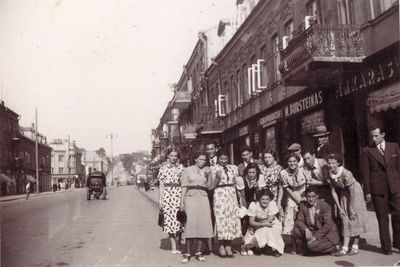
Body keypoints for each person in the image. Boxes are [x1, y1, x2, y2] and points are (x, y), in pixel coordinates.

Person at [362, 125, 400, 255]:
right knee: (382, 219)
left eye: (376, 135)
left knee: (398, 214)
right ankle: (386, 247)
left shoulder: (394, 146)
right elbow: (365, 173)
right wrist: (367, 191)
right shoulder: (367, 151)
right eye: (372, 136)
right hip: (378, 189)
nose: (374, 138)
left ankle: (398, 243)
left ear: (383, 134)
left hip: (395, 187)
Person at [327, 153, 368, 256]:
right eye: (329, 163)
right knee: (345, 218)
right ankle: (345, 247)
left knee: (354, 217)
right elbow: (333, 191)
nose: (331, 165)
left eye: (333, 163)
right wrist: (340, 208)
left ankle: (355, 246)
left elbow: (352, 190)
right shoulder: (330, 173)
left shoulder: (346, 173)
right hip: (344, 193)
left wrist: (350, 208)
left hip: (355, 193)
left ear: (338, 163)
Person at [180, 151, 214, 264]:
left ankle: (199, 252)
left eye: (204, 160)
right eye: (200, 159)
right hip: (191, 198)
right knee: (190, 224)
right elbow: (184, 186)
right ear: (195, 159)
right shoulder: (187, 170)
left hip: (203, 198)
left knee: (203, 225)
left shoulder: (207, 170)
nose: (202, 162)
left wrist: (209, 175)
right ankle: (188, 252)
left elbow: (210, 186)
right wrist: (182, 203)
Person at [211, 149, 243, 258]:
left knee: (231, 219)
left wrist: (240, 199)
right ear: (218, 159)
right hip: (220, 195)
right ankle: (221, 245)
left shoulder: (233, 168)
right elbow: (212, 187)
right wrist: (217, 177)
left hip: (231, 195)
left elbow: (237, 184)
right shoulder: (213, 169)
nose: (224, 161)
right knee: (221, 219)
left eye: (225, 158)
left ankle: (229, 245)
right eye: (221, 159)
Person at [293, 186, 340, 255]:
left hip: (326, 233)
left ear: (317, 196)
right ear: (306, 196)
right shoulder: (303, 205)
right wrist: (305, 229)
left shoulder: (324, 206)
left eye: (313, 196)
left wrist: (315, 237)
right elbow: (298, 220)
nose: (311, 199)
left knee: (312, 246)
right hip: (313, 230)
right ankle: (311, 248)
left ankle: (334, 247)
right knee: (296, 229)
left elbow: (328, 225)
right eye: (308, 196)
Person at [157, 148, 184, 254]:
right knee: (170, 221)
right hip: (168, 195)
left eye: (175, 156)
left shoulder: (181, 168)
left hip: (178, 194)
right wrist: (160, 200)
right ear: (168, 156)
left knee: (179, 220)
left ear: (178, 157)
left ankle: (179, 243)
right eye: (171, 156)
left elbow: (183, 183)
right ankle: (173, 245)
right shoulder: (163, 168)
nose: (173, 158)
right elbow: (161, 185)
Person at [280, 153, 308, 252]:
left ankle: (304, 244)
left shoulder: (303, 170)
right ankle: (294, 245)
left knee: (304, 217)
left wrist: (304, 197)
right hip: (291, 195)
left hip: (304, 194)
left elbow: (308, 184)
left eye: (294, 161)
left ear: (297, 161)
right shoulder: (283, 173)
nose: (292, 163)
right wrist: (296, 199)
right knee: (291, 219)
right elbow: (286, 187)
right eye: (289, 161)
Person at [244, 189, 285, 257]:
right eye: (263, 199)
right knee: (251, 237)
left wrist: (263, 224)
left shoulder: (272, 204)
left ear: (270, 199)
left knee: (269, 229)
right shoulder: (254, 205)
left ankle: (274, 248)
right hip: (257, 224)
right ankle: (260, 246)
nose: (265, 201)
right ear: (259, 199)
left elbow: (269, 221)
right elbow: (251, 222)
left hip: (271, 223)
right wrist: (261, 224)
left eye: (267, 199)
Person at [236, 162, 263, 256]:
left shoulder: (260, 178)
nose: (251, 175)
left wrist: (257, 187)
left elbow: (261, 195)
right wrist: (246, 210)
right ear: (247, 172)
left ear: (257, 172)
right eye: (249, 172)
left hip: (256, 203)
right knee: (245, 223)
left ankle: (252, 245)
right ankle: (244, 245)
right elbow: (243, 197)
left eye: (253, 172)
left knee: (253, 226)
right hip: (245, 203)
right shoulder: (241, 179)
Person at [204, 139, 218, 254]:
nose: (209, 151)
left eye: (211, 149)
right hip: (207, 193)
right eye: (207, 149)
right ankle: (209, 244)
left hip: (220, 192)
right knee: (209, 217)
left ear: (216, 149)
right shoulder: (203, 162)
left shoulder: (222, 160)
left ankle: (223, 242)